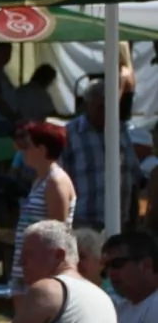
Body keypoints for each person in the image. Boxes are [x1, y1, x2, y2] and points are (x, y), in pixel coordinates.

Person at [64, 79, 138, 231]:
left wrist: (133, 221)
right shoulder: (71, 134)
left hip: (120, 223)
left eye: (111, 106)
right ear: (88, 105)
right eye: (101, 106)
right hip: (83, 224)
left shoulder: (122, 131)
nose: (106, 111)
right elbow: (61, 181)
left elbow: (133, 176)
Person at [8, 122, 75, 290]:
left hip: (42, 273)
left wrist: (45, 278)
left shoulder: (55, 181)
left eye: (28, 146)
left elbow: (56, 233)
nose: (23, 151)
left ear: (42, 150)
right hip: (28, 269)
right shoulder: (40, 180)